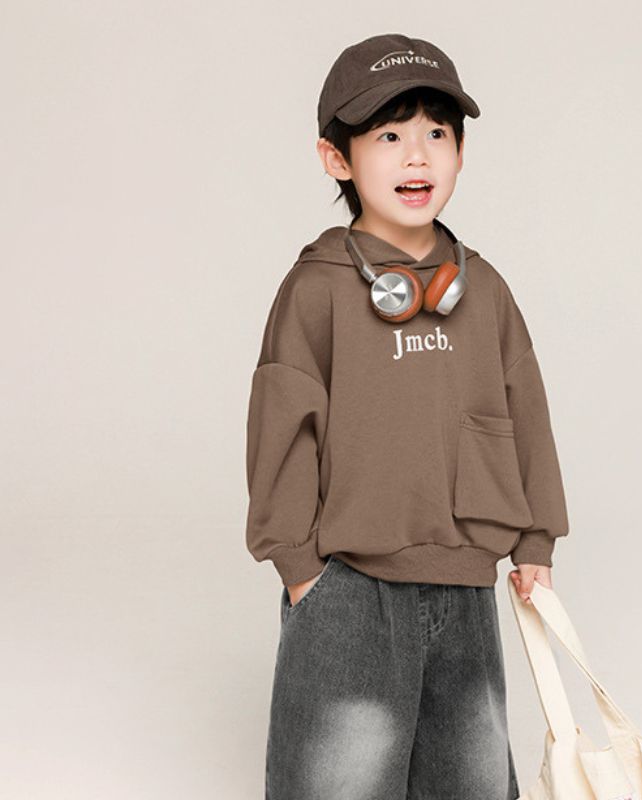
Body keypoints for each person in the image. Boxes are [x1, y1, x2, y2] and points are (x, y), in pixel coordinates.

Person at [244, 32, 570, 800]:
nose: (416, 155)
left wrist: (535, 538)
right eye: (389, 136)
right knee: (338, 782)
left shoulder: (483, 290)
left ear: (461, 151)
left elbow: (525, 409)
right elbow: (283, 428)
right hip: (349, 590)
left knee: (471, 781)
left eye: (436, 133)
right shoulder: (317, 290)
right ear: (337, 158)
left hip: (464, 585)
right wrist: (302, 571)